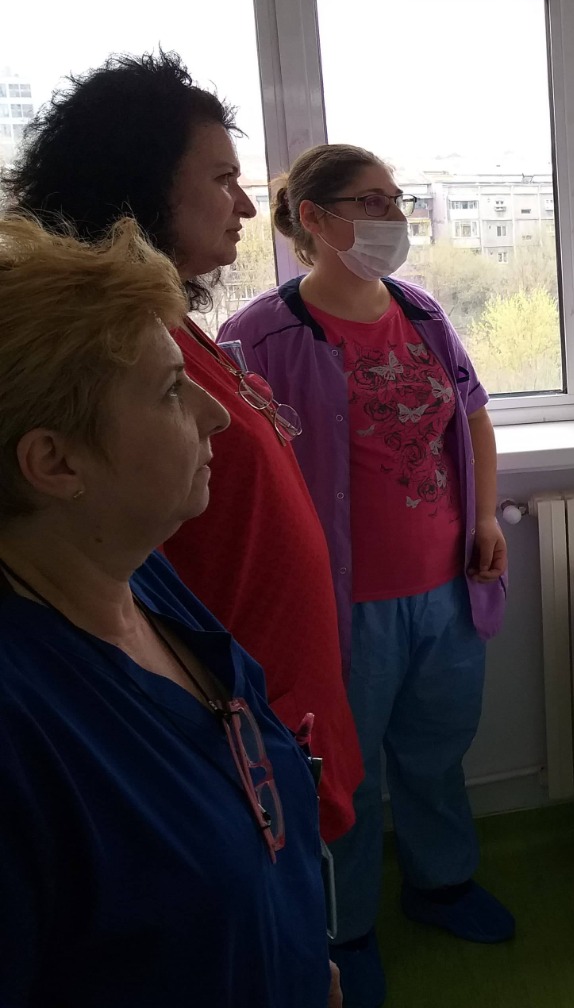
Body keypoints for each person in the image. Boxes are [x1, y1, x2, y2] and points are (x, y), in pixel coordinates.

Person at [1, 51, 362, 844]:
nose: (246, 204)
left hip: (271, 712)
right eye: (222, 179)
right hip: (219, 739)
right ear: (141, 184)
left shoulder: (170, 332)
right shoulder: (106, 361)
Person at [0, 215, 339, 1007]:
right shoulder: (23, 732)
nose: (217, 414)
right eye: (169, 390)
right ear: (55, 462)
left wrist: (293, 958)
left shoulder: (139, 575)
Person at [221, 143, 512, 1008]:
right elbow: (237, 471)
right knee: (340, 776)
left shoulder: (421, 315)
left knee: (435, 752)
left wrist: (486, 517)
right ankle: (344, 931)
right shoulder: (260, 336)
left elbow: (474, 416)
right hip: (339, 605)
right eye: (371, 201)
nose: (394, 218)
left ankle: (441, 886)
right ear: (314, 219)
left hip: (445, 587)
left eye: (397, 199)